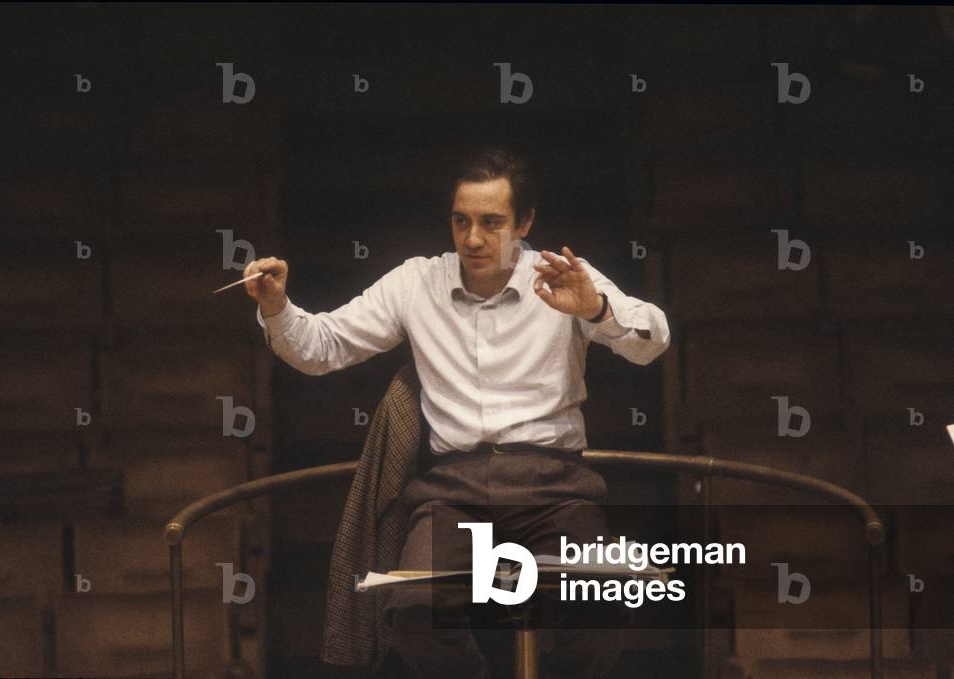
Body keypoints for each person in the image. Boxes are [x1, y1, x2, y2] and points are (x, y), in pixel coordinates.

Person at [244, 147, 670, 678]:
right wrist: (277, 307)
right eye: (461, 221)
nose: (472, 239)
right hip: (453, 493)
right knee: (412, 612)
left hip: (556, 488)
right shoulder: (416, 282)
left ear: (525, 224)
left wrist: (597, 310)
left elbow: (652, 338)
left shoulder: (564, 278)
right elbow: (321, 346)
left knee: (601, 603)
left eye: (492, 223)